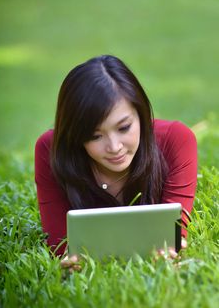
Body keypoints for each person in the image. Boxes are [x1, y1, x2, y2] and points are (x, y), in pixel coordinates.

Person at [35, 55, 197, 268]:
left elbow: (171, 240)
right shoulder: (51, 149)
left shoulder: (175, 139)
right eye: (94, 136)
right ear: (75, 135)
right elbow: (60, 247)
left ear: (141, 113)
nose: (114, 147)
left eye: (123, 128)